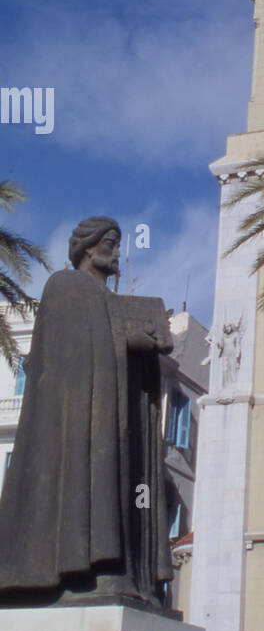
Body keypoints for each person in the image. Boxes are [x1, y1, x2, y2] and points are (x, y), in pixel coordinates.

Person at [0, 216, 174, 607]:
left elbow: (110, 345)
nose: (117, 252)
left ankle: (122, 570)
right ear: (87, 247)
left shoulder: (116, 302)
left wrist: (146, 347)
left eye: (119, 242)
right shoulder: (64, 287)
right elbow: (70, 355)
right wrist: (127, 340)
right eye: (110, 242)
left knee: (124, 486)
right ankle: (81, 568)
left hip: (117, 422)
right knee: (87, 481)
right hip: (82, 422)